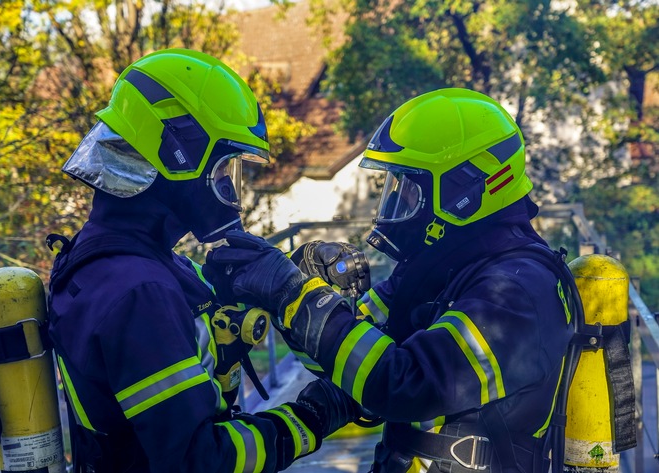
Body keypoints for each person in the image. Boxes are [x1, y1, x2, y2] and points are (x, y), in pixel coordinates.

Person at [202, 88, 578, 473]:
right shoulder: (438, 267)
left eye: (409, 189)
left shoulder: (517, 291)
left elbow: (404, 384)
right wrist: (306, 287)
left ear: (464, 192)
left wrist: (295, 295)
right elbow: (352, 362)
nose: (395, 207)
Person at [46, 48, 359, 473]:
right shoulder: (140, 292)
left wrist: (277, 285)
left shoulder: (111, 260)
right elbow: (199, 459)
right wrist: (312, 417)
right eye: (224, 167)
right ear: (180, 155)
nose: (229, 187)